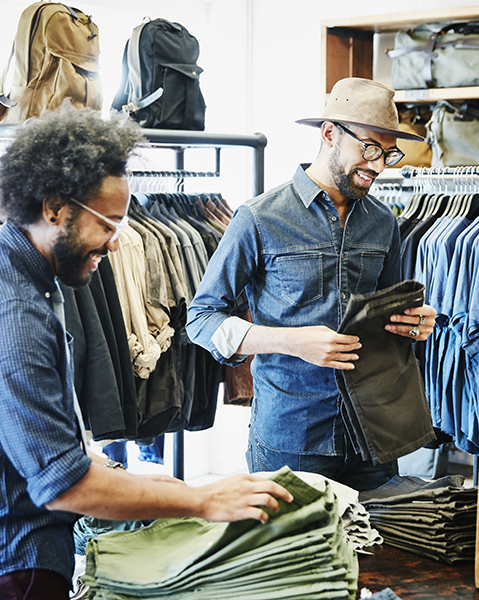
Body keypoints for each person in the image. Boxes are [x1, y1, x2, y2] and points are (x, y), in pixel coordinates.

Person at [0, 103, 292, 600]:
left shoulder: (7, 265)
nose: (117, 244)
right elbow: (66, 486)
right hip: (6, 569)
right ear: (54, 208)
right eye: (109, 224)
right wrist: (202, 499)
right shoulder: (10, 312)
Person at [186, 77, 438, 493]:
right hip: (292, 439)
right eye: (369, 149)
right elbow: (201, 319)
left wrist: (413, 324)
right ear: (328, 134)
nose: (378, 166)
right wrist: (290, 341)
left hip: (373, 437)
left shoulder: (384, 223)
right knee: (293, 558)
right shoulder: (259, 218)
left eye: (388, 154)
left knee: (380, 557)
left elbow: (386, 319)